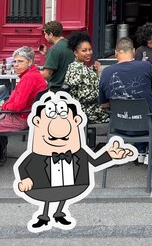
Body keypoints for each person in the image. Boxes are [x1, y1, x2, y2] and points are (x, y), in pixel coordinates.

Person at [15, 91, 135, 231]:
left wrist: (110, 155)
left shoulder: (78, 152)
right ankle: (44, 216)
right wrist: (25, 179)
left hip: (72, 186)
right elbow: (22, 167)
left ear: (76, 122)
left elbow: (94, 162)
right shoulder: (37, 156)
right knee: (48, 196)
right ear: (37, 122)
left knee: (63, 193)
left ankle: (59, 213)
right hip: (42, 188)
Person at [99, 37, 152, 167]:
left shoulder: (106, 72)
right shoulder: (145, 66)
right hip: (146, 123)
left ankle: (141, 151)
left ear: (115, 53)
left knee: (139, 112)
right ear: (134, 51)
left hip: (119, 125)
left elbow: (103, 104)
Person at [0, 47, 47, 165]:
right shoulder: (32, 75)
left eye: (20, 61)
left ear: (30, 62)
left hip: (21, 117)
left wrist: (3, 106)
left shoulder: (29, 79)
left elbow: (17, 106)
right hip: (25, 114)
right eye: (14, 61)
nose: (16, 64)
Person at [65, 31, 109, 124]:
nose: (88, 53)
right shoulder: (81, 69)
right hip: (86, 111)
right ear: (76, 53)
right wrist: (104, 100)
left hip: (77, 108)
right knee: (117, 112)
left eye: (90, 49)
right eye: (84, 51)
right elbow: (85, 96)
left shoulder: (73, 66)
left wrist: (94, 72)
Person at [41, 21, 74, 91]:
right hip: (70, 87)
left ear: (51, 34)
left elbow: (46, 74)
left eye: (45, 34)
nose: (45, 37)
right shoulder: (70, 44)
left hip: (56, 89)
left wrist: (31, 73)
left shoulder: (54, 49)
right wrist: (47, 54)